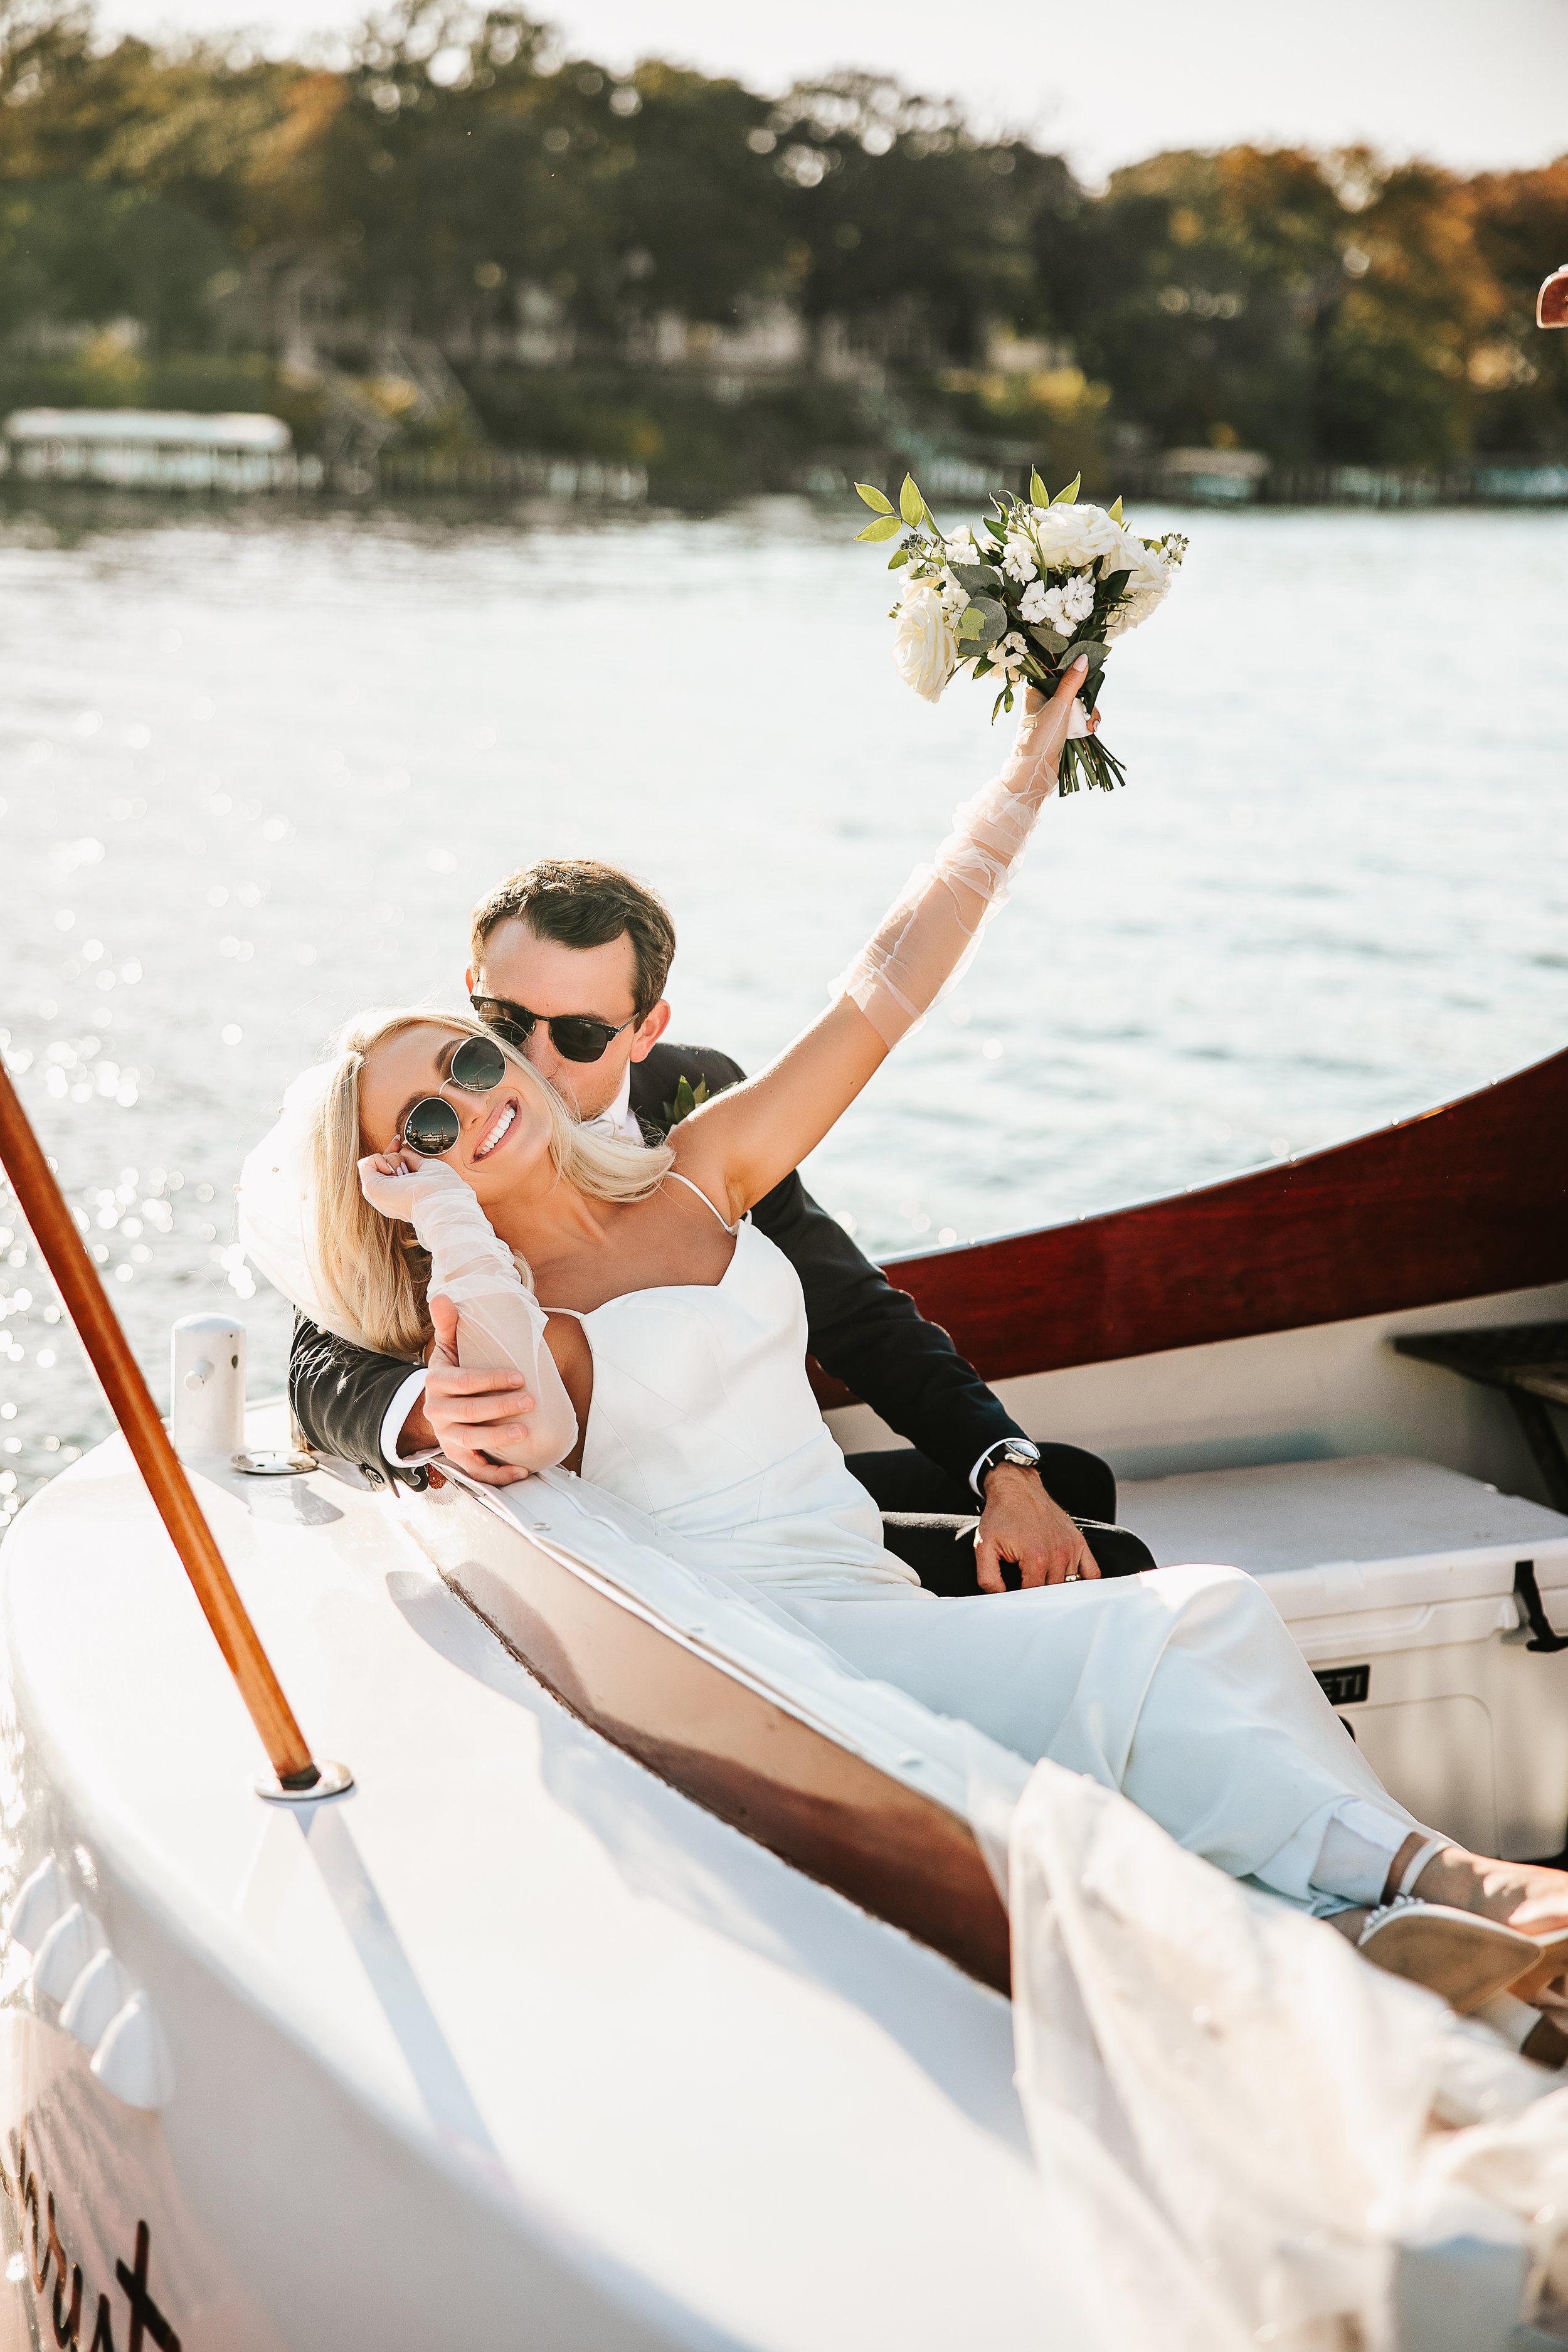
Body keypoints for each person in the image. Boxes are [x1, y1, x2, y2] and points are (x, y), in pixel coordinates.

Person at [243, 660, 1568, 2019]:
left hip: (860, 1582)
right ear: (387, 1176)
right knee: (1172, 1630)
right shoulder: (489, 1307)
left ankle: (1391, 1905)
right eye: (422, 1118)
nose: (481, 1090)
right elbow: (429, 1393)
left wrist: (1021, 780)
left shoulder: (703, 1157)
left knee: (1182, 1611)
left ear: (623, 1035)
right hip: (750, 1639)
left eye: (472, 1063)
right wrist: (452, 1234)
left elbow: (887, 982)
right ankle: (1432, 1888)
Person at [287, 844, 1152, 1591]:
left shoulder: (695, 1104)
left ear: (645, 1028)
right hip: (657, 1544)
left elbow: (848, 1306)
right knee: (1114, 1565)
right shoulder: (423, 1121)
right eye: (504, 1022)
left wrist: (1001, 1465)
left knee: (1066, 1480)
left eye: (582, 1034)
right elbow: (318, 1344)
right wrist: (426, 1410)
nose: (531, 1061)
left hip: (775, 1485)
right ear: (470, 992)